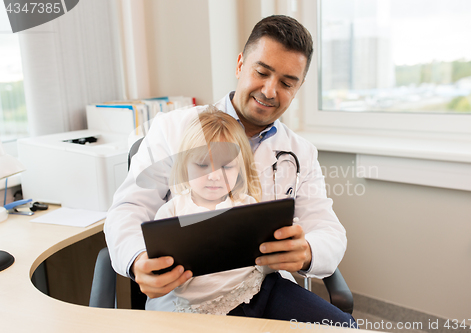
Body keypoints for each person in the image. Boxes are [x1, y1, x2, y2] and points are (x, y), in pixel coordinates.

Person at [105, 15, 355, 326]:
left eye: (287, 83)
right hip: (188, 299)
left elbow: (329, 230)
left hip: (263, 288)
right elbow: (129, 209)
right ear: (240, 65)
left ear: (299, 87)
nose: (269, 90)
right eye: (261, 72)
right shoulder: (174, 128)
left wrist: (307, 251)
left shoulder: (300, 152)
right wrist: (137, 259)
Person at [148, 107, 267, 314]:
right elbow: (158, 269)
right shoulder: (172, 213)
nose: (214, 176)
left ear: (239, 170)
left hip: (254, 292)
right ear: (185, 167)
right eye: (203, 165)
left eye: (227, 167)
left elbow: (264, 261)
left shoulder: (247, 206)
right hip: (200, 307)